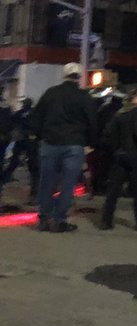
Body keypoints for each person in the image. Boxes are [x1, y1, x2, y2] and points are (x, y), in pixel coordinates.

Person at [30, 63, 98, 232]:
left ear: (65, 75)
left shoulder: (51, 93)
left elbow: (36, 117)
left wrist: (39, 136)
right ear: (79, 77)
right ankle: (59, 220)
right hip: (74, 144)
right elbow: (92, 122)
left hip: (50, 143)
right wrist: (91, 143)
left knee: (46, 183)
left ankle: (44, 219)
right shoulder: (83, 96)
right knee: (68, 185)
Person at [98, 87, 137, 231]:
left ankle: (106, 220)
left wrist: (115, 149)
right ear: (136, 97)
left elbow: (108, 134)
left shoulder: (121, 113)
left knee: (113, 190)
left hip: (120, 155)